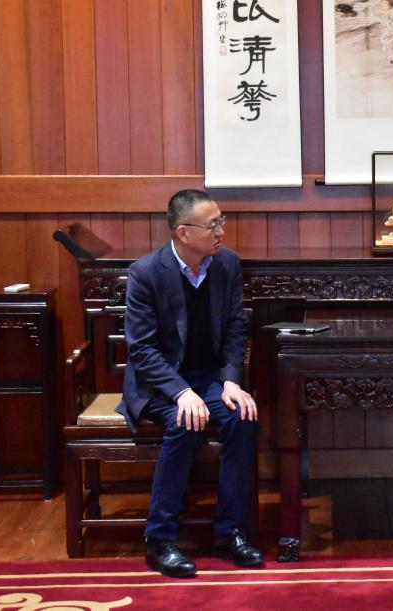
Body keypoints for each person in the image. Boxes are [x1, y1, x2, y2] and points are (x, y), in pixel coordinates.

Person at [117, 189, 261, 578]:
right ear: (183, 232)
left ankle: (230, 533)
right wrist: (181, 392)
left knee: (243, 417)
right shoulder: (146, 273)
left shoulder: (226, 264)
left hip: (209, 378)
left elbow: (235, 329)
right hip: (160, 384)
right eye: (213, 225)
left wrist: (231, 381)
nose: (221, 231)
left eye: (221, 221)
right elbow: (142, 350)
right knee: (186, 421)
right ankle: (159, 539)